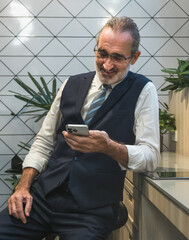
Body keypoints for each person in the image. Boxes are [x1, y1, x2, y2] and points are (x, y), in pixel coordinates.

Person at [0, 16, 160, 240]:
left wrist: (110, 147)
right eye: (102, 53)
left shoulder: (144, 90)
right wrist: (23, 186)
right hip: (42, 199)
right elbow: (44, 142)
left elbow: (151, 156)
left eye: (117, 57)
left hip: (92, 211)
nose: (106, 64)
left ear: (134, 57)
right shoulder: (71, 84)